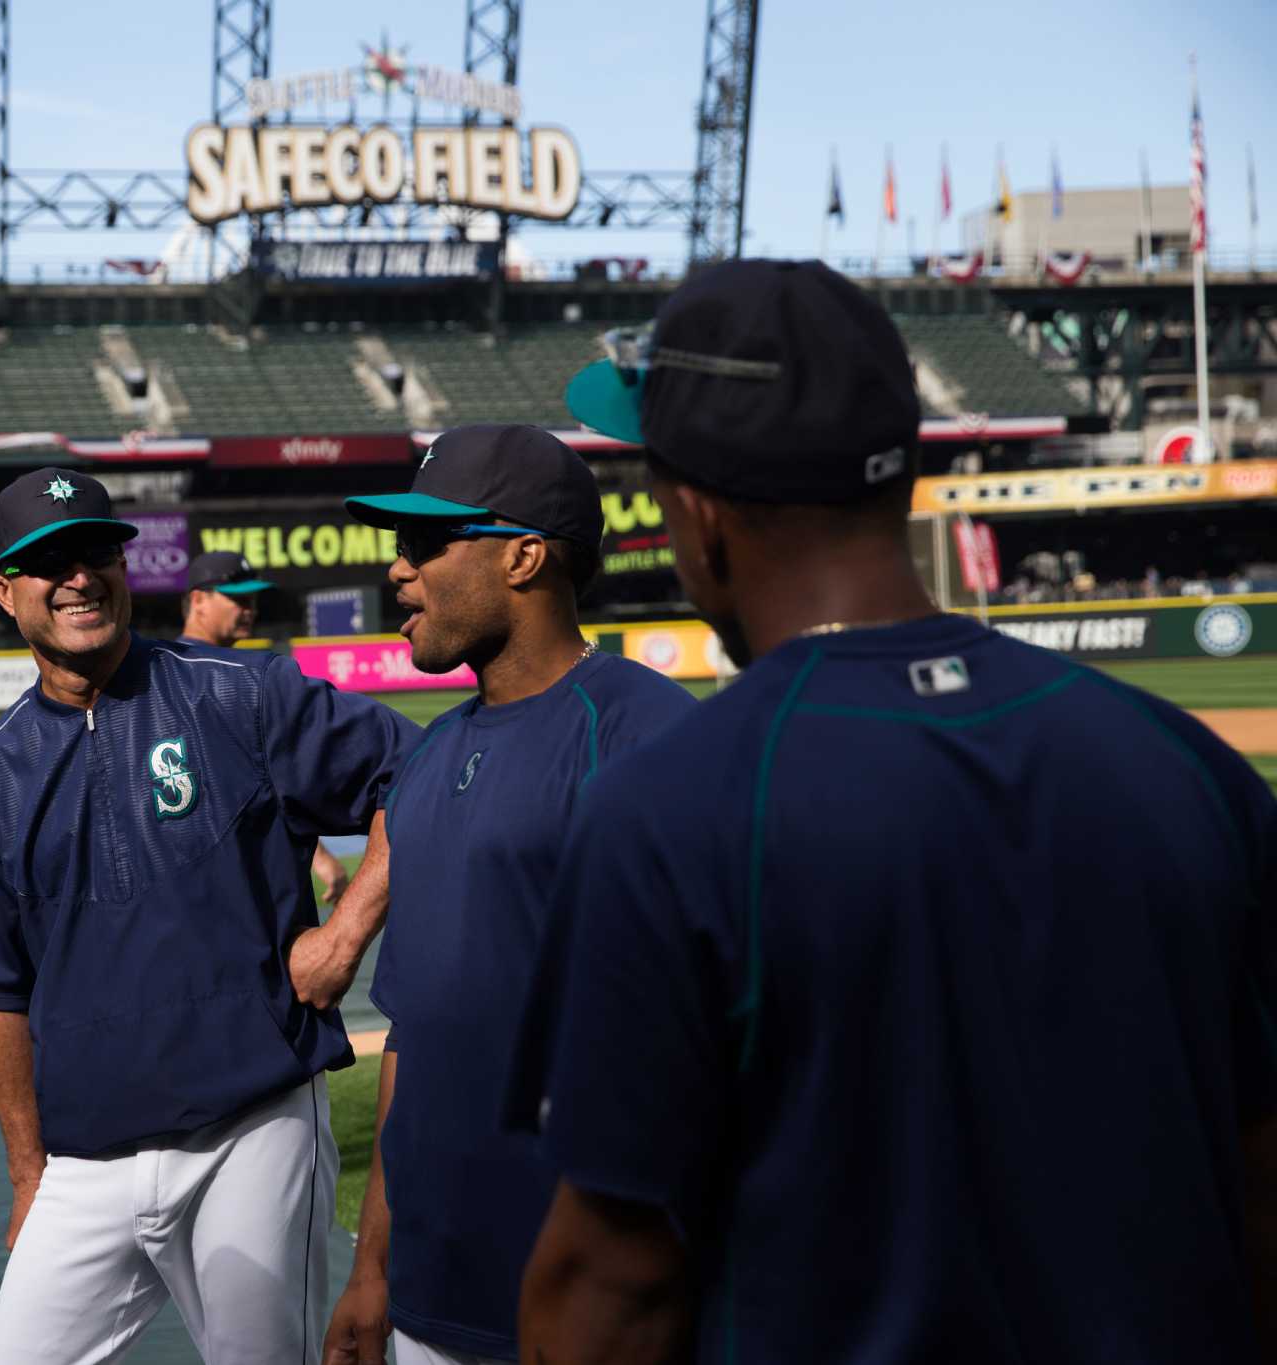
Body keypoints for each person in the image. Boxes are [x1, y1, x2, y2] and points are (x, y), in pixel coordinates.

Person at [511, 259, 1277, 1362]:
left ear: (698, 512)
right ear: (902, 473)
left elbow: (609, 1288)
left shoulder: (669, 811)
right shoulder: (1187, 767)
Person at [0, 466, 418, 1364]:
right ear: (5, 591)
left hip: (253, 1126)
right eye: (48, 561)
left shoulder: (240, 692)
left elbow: (412, 775)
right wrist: (27, 1171)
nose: (79, 575)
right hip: (84, 1162)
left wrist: (347, 930)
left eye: (96, 552)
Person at [321, 425, 695, 1365]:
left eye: (424, 545)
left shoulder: (647, 736)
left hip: (598, 1304)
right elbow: (412, 1032)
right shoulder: (429, 753)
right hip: (429, 1300)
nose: (398, 573)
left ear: (525, 554)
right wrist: (373, 1269)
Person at [180, 548, 354, 908]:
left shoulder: (238, 672)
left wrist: (318, 854)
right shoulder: (187, 676)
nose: (250, 609)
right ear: (198, 600)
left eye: (253, 599)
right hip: (219, 886)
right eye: (238, 599)